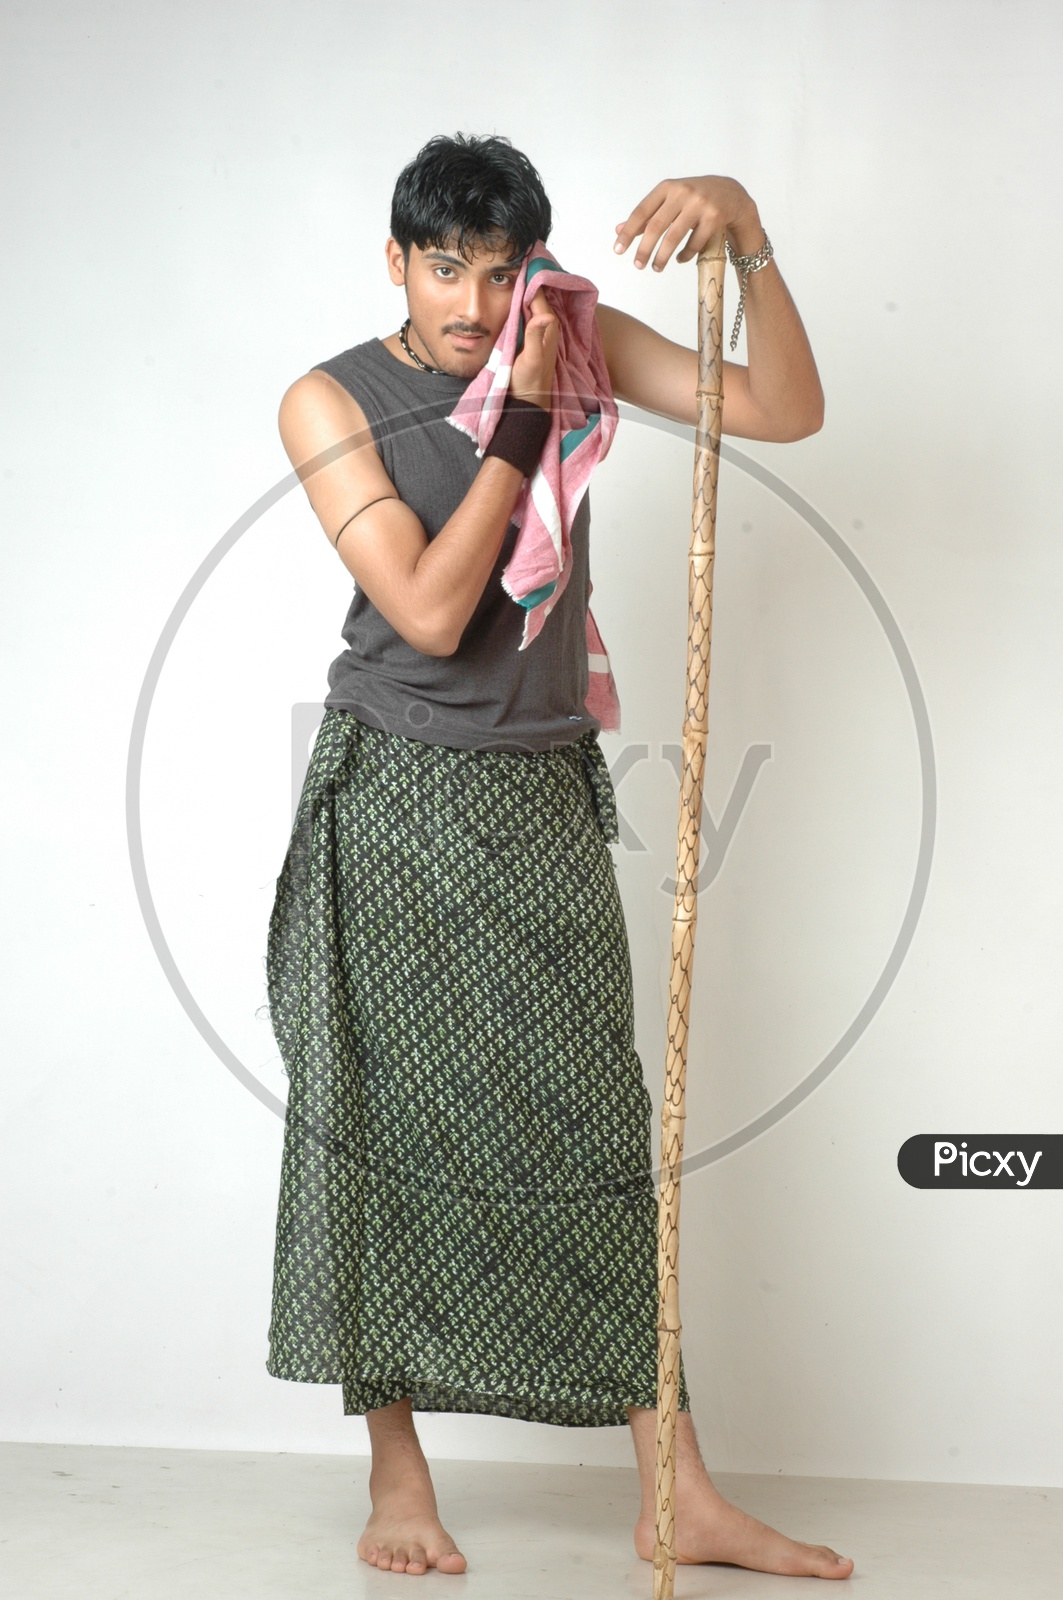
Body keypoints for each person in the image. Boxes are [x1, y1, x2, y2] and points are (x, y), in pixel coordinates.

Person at [266, 132, 852, 1582]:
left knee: (593, 1129)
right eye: (445, 266)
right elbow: (425, 606)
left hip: (538, 788)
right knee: (375, 1124)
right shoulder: (332, 401)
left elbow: (782, 410)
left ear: (535, 264)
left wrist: (752, 234)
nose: (476, 302)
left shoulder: (568, 339)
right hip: (393, 789)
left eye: (504, 269)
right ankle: (397, 1473)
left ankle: (680, 1494)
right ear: (395, 261)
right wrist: (521, 417)